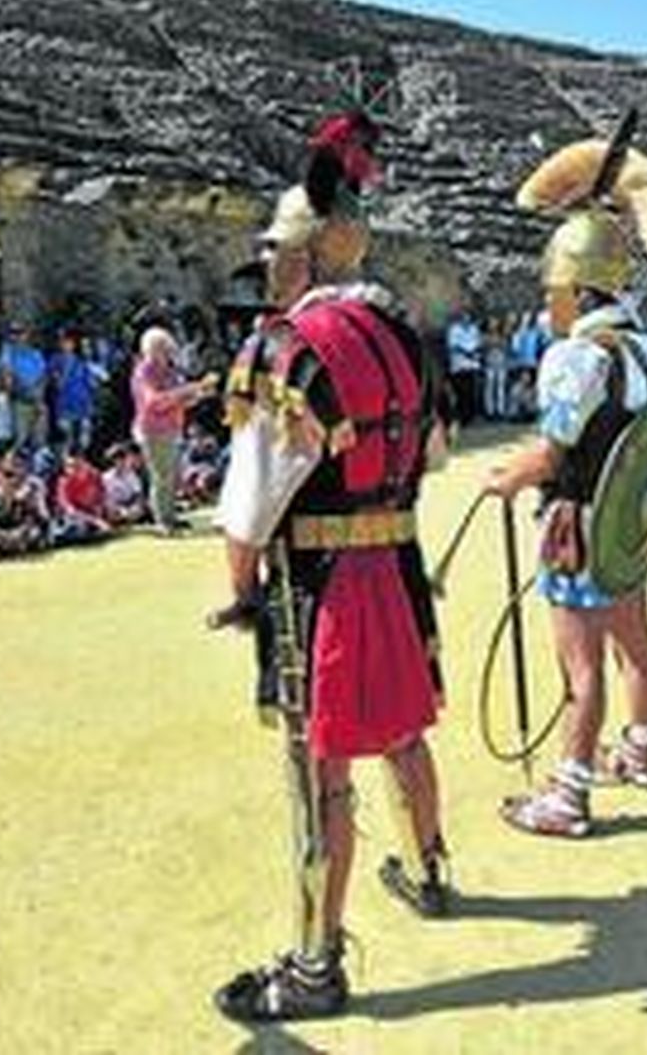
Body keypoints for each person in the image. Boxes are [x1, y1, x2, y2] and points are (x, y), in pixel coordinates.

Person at [212, 111, 453, 1023]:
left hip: (318, 590)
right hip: (394, 563)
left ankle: (315, 966)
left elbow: (249, 505)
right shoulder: (407, 341)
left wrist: (239, 593)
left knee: (321, 771)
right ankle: (431, 871)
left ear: (306, 255)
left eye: (275, 246)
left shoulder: (285, 349)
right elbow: (428, 458)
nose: (267, 260)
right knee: (403, 734)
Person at [486, 130, 647, 835]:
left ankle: (567, 797)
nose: (551, 303)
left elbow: (554, 449)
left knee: (581, 665)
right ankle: (642, 751)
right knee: (636, 638)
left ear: (572, 284)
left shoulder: (580, 354)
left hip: (582, 526)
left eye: (554, 290)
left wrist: (506, 478)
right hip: (634, 523)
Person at [130, 325, 215, 534]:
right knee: (161, 476)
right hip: (153, 429)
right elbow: (155, 402)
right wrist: (188, 389)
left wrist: (199, 393)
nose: (169, 351)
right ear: (151, 349)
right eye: (164, 347)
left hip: (173, 428)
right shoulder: (144, 371)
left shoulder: (169, 371)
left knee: (173, 475)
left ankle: (171, 517)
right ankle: (163, 521)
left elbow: (179, 400)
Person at [0, 451, 49, 556]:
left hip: (30, 525)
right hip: (5, 529)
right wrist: (3, 534)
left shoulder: (33, 484)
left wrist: (20, 496)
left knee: (33, 536)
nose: (14, 468)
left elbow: (36, 514)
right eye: (11, 464)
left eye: (17, 465)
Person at [1, 322, 49, 450]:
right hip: (19, 400)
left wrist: (38, 396)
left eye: (20, 333)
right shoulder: (7, 352)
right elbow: (7, 376)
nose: (17, 336)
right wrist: (23, 389)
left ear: (27, 335)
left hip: (37, 399)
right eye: (13, 333)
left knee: (39, 438)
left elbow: (43, 376)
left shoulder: (35, 353)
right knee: (20, 438)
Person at [49, 327, 97, 452]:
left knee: (84, 439)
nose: (64, 344)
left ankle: (81, 462)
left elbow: (91, 383)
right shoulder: (56, 359)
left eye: (68, 341)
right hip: (65, 404)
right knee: (66, 437)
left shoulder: (82, 361)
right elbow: (58, 383)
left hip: (83, 404)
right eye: (62, 341)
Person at [52, 447, 113, 545]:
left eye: (76, 465)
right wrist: (94, 520)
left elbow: (102, 495)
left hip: (94, 513)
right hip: (75, 518)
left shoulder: (94, 475)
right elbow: (71, 510)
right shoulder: (63, 483)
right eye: (69, 466)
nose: (71, 469)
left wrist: (101, 510)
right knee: (77, 528)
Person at [444, 308, 483, 426]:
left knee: (471, 392)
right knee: (460, 392)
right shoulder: (454, 330)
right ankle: (461, 417)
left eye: (468, 316)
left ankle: (471, 416)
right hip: (459, 365)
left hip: (472, 365)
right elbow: (453, 346)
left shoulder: (474, 329)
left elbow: (478, 343)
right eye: (464, 316)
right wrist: (467, 353)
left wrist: (474, 352)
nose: (466, 319)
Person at [101, 442, 148, 527]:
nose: (121, 462)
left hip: (129, 504)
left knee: (140, 509)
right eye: (118, 460)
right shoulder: (106, 478)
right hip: (115, 506)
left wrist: (134, 506)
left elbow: (138, 495)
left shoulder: (132, 475)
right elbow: (107, 499)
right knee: (112, 513)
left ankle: (128, 519)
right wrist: (120, 509)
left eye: (123, 459)